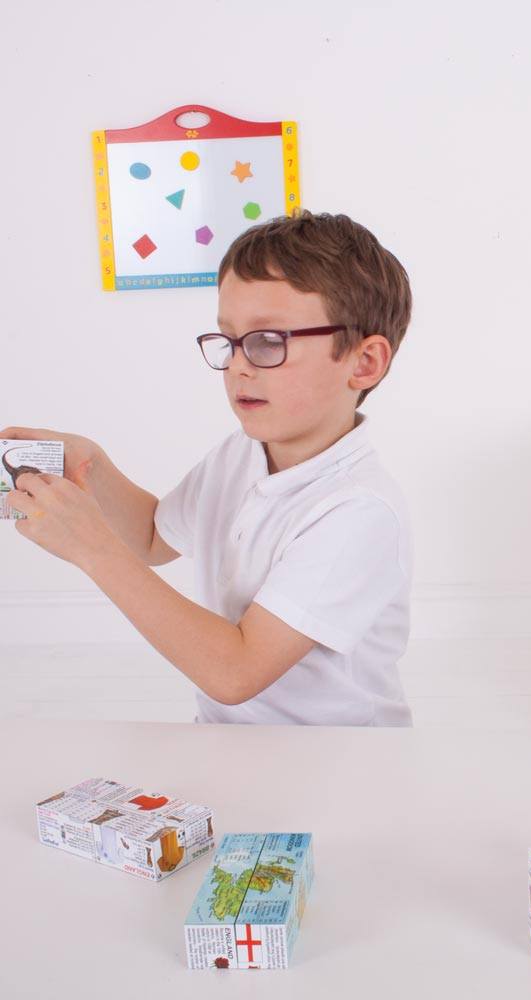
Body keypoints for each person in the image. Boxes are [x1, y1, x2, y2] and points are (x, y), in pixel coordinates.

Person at [4, 211, 414, 726]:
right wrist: (91, 466)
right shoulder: (241, 452)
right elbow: (154, 538)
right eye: (230, 341)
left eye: (269, 342)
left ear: (364, 362)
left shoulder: (359, 511)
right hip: (229, 741)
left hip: (339, 759)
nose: (239, 365)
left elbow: (235, 673)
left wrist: (93, 550)